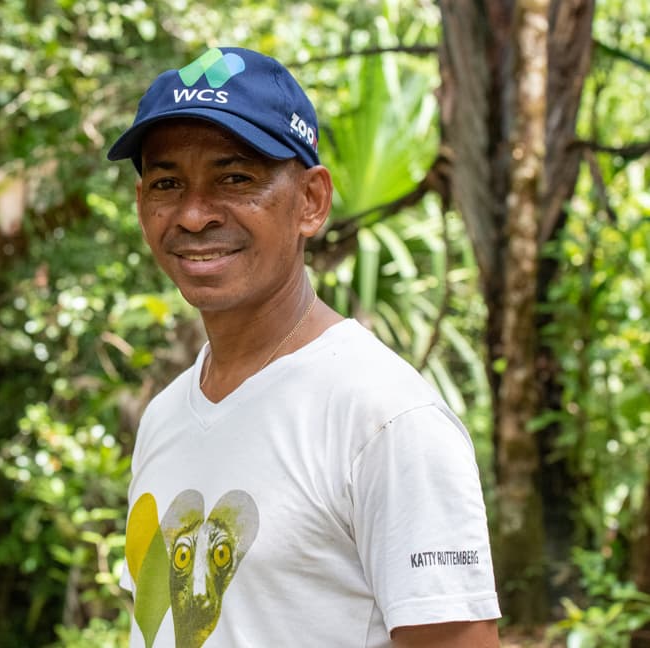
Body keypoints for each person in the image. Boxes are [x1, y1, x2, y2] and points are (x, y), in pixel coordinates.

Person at [107, 46, 501, 648]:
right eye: (167, 183)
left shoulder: (384, 417)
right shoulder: (165, 416)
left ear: (311, 201)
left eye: (235, 177)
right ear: (142, 207)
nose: (192, 215)